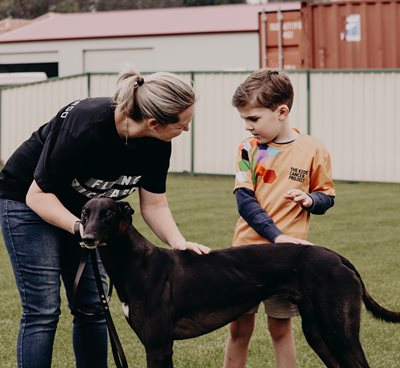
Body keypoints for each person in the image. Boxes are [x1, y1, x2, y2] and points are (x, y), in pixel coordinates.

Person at [0, 68, 210, 368]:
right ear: (154, 122)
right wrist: (82, 229)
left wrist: (178, 242)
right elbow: (37, 195)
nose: (186, 130)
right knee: (43, 310)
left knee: (92, 307)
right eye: (183, 124)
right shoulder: (86, 127)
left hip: (88, 216)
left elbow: (154, 205)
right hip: (27, 203)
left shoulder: (158, 144)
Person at [223, 69, 336, 368]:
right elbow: (245, 201)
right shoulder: (249, 149)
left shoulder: (314, 149)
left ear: (282, 111)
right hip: (245, 255)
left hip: (287, 260)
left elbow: (327, 196)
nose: (248, 127)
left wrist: (311, 200)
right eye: (244, 120)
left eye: (254, 119)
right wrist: (276, 236)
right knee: (238, 328)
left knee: (280, 328)